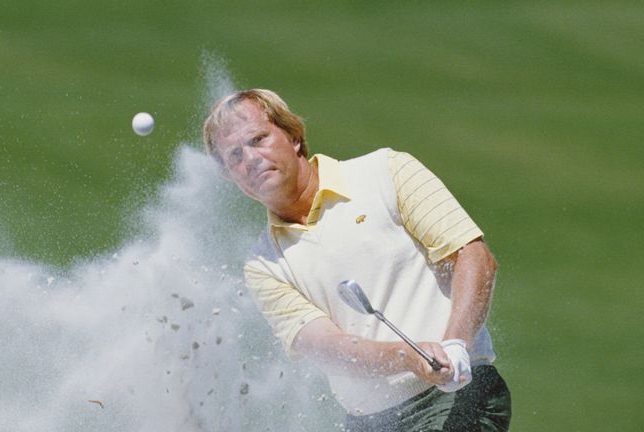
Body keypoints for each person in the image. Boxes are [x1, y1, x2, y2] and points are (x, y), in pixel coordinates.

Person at [203, 89, 511, 431]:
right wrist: (406, 357)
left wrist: (455, 345)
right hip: (371, 423)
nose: (251, 158)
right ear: (230, 176)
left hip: (456, 395)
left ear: (292, 136)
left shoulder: (386, 172)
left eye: (258, 139)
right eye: (234, 156)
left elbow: (474, 256)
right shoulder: (264, 264)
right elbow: (329, 348)